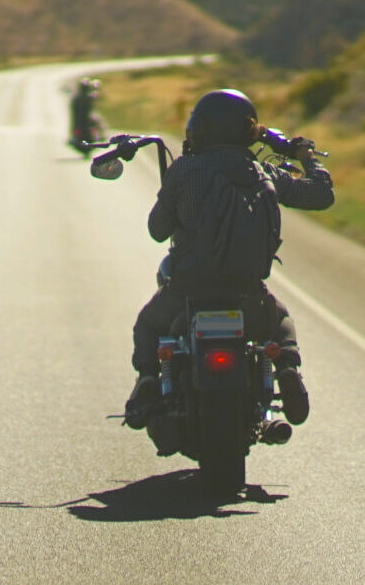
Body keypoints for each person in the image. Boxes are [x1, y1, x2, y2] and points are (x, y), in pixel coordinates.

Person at [125, 88, 332, 428]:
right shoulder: (262, 171)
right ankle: (288, 369)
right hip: (247, 290)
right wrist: (306, 155)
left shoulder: (185, 171)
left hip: (188, 290)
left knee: (148, 325)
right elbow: (321, 195)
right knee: (280, 323)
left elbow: (157, 230)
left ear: (201, 129)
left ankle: (148, 380)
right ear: (247, 131)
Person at [68, 77, 103, 145]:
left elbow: (95, 95)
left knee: (97, 121)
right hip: (80, 120)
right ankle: (97, 136)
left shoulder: (81, 97)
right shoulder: (79, 98)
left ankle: (98, 136)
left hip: (85, 119)